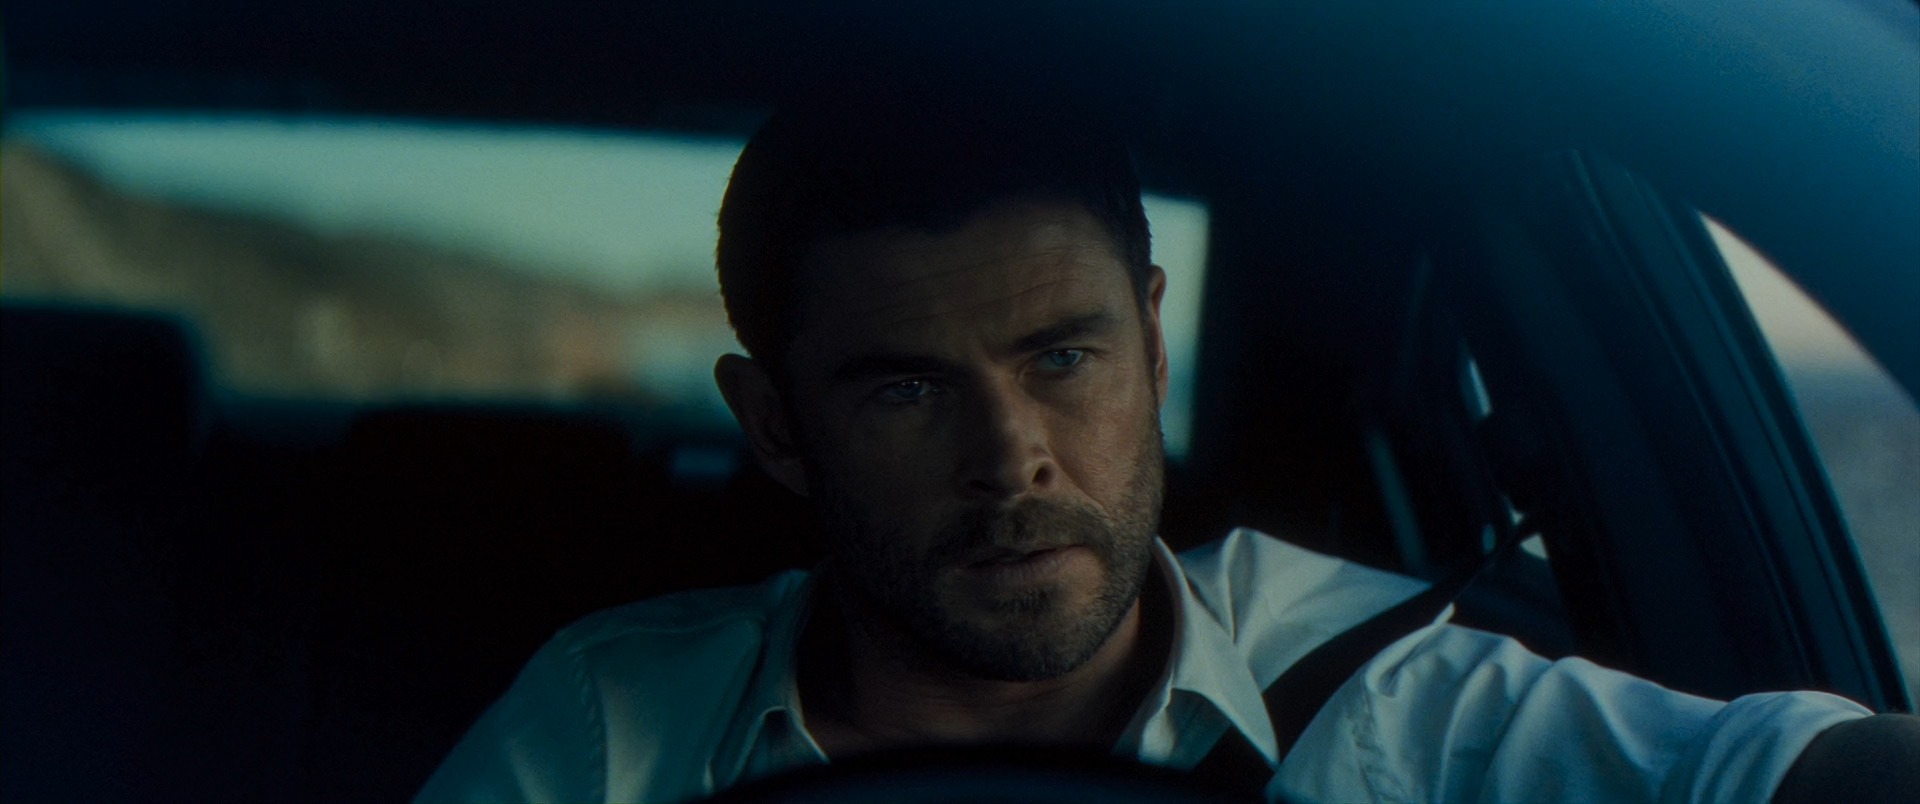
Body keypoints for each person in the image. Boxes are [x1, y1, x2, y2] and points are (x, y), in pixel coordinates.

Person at [414, 83, 1917, 803]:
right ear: (775, 427)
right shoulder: (612, 737)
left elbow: (1793, 776)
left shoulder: (1383, 702)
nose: (1013, 458)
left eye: (1061, 358)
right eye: (906, 391)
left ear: (1149, 341)